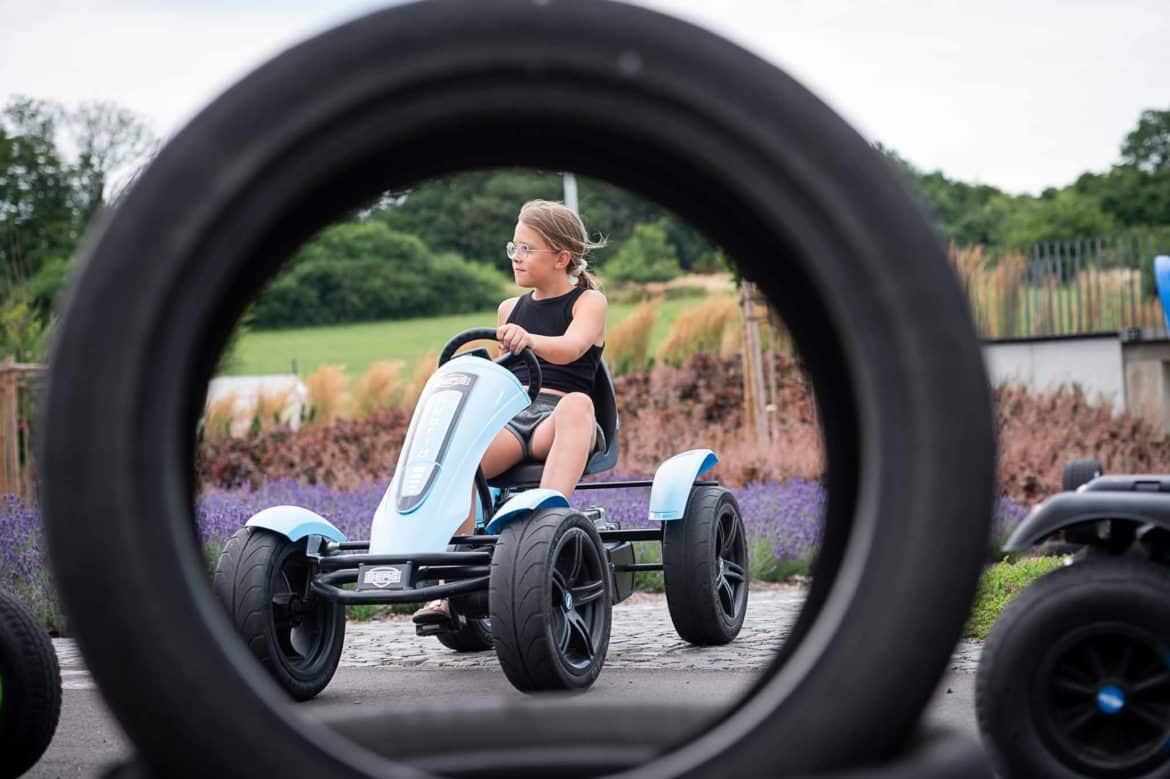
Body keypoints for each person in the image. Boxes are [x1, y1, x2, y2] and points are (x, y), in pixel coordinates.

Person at [412, 199, 608, 627]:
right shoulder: (508, 309)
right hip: (515, 417)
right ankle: (451, 582)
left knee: (579, 403)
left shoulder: (588, 302)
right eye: (513, 248)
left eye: (527, 249)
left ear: (561, 257)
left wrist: (528, 339)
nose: (516, 257)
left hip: (559, 419)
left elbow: (572, 347)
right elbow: (506, 374)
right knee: (459, 448)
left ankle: (543, 527)